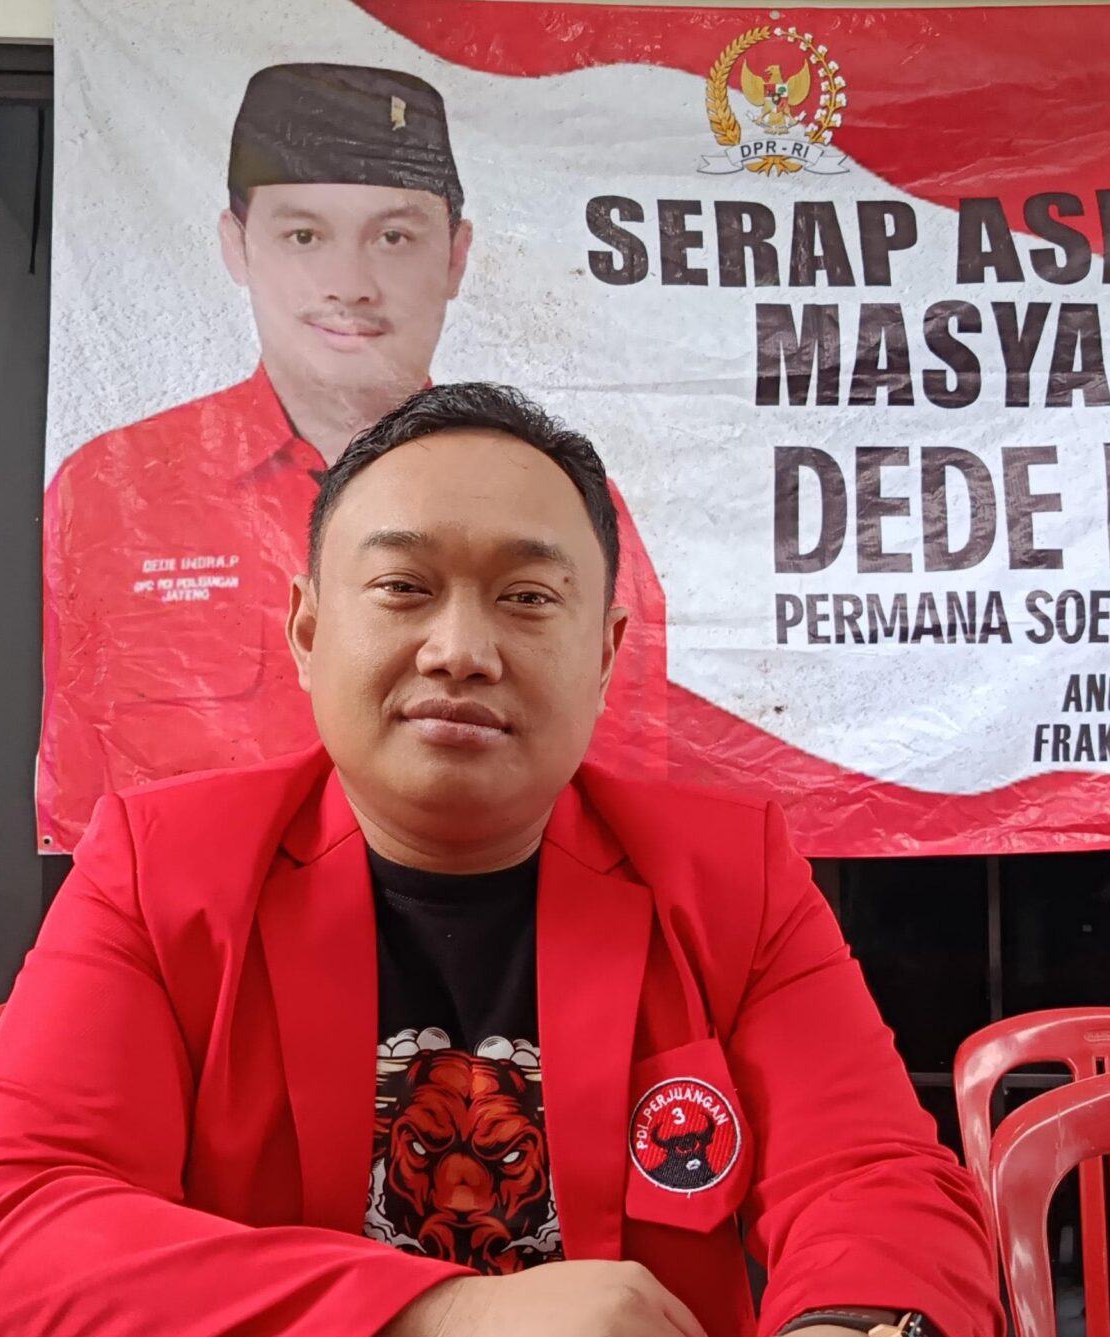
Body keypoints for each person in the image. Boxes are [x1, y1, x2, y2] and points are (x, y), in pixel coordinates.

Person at [0, 384, 999, 1337]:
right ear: (306, 629)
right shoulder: (160, 868)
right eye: (402, 586)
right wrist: (434, 1329)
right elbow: (7, 1225)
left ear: (605, 653)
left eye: (527, 597)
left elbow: (875, 1178)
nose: (460, 649)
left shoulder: (729, 880)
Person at [38, 62, 669, 848]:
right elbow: (77, 809)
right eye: (304, 236)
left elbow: (618, 812)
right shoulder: (112, 489)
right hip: (199, 923)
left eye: (394, 237)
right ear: (236, 245)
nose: (349, 284)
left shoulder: (559, 509)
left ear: (456, 255)